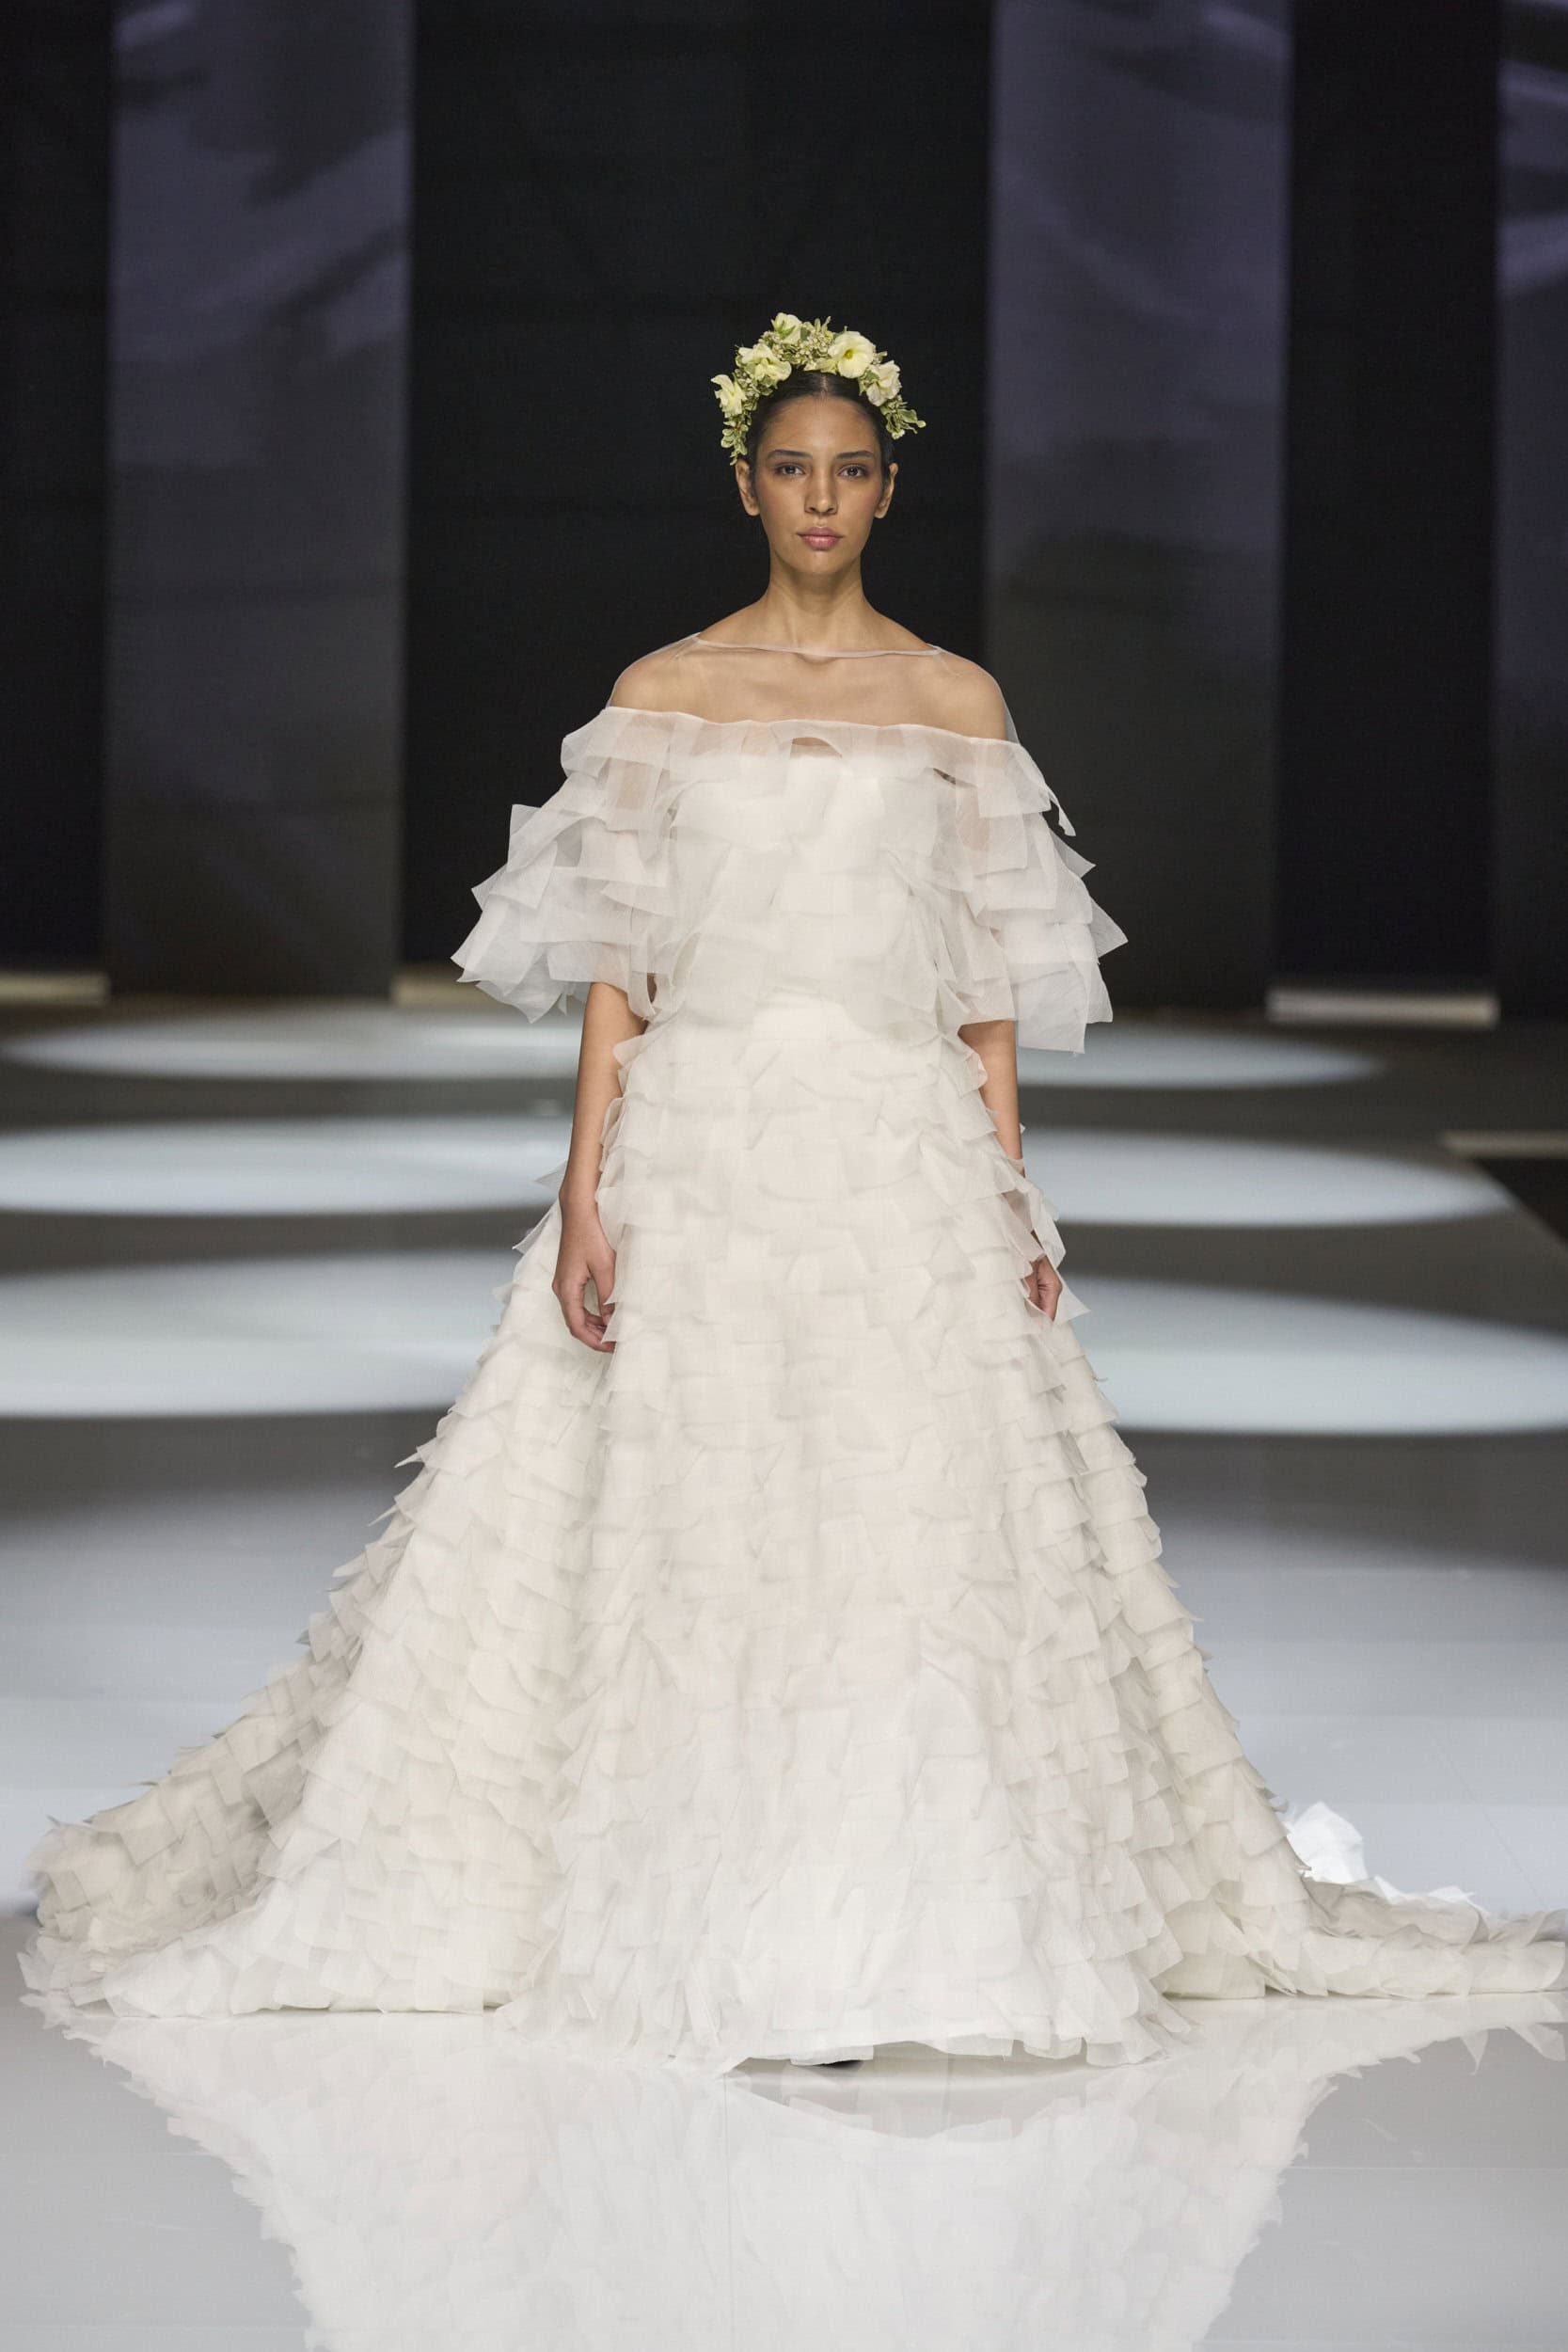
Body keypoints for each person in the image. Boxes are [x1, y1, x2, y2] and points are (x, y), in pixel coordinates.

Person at [22, 312, 1565, 2068]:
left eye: (850, 471)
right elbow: (621, 976)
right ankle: (695, 1876)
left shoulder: (956, 705)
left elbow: (984, 981)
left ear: (888, 490)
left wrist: (1009, 1191)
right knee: (695, 1519)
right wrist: (588, 1190)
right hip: (706, 1147)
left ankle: (914, 1898)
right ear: (746, 485)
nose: (820, 498)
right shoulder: (662, 696)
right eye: (790, 469)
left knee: (912, 1522)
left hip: (899, 1148)